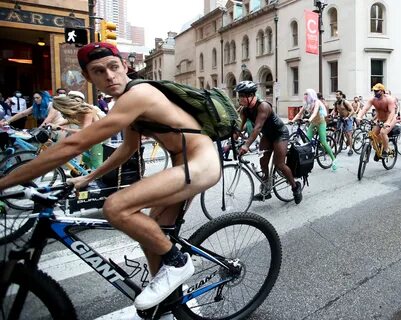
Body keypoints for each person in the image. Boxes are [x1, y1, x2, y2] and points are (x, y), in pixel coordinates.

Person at [0, 42, 220, 312]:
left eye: (114, 67)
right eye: (98, 71)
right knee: (152, 233)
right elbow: (128, 148)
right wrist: (87, 178)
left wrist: (5, 182)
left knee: (115, 207)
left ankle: (178, 263)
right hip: (182, 164)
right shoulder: (125, 102)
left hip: (201, 162)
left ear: (125, 66)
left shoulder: (139, 94)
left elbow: (73, 145)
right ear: (88, 77)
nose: (109, 76)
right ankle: (170, 298)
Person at [235, 80, 302, 204]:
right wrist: (232, 141)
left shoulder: (263, 106)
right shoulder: (245, 110)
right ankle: (266, 189)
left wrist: (246, 145)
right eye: (239, 96)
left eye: (242, 96)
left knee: (280, 164)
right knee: (263, 161)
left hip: (279, 134)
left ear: (250, 96)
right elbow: (239, 127)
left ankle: (295, 187)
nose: (240, 99)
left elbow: (258, 127)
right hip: (267, 135)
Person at [50, 91, 106, 169]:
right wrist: (55, 125)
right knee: (86, 161)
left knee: (96, 163)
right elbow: (68, 120)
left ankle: (98, 179)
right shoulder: (75, 111)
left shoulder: (87, 110)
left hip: (97, 138)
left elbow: (85, 131)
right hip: (88, 138)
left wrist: (64, 129)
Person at [293, 88, 337, 171]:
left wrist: (308, 120)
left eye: (307, 94)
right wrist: (292, 121)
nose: (305, 96)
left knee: (323, 142)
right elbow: (299, 113)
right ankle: (308, 161)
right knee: (307, 142)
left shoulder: (317, 102)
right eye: (304, 94)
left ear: (311, 95)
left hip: (321, 123)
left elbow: (315, 112)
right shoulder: (306, 103)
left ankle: (334, 159)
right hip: (313, 123)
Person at [356, 83, 397, 158]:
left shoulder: (389, 99)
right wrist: (359, 117)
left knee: (383, 132)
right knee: (372, 135)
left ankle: (386, 150)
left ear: (381, 91)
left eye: (376, 91)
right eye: (374, 91)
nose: (374, 92)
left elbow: (392, 112)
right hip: (380, 120)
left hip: (390, 120)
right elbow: (365, 109)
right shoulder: (373, 100)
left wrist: (387, 122)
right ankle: (378, 149)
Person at [331, 90, 354, 156]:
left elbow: (352, 111)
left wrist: (348, 117)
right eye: (336, 95)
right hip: (340, 118)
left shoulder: (345, 102)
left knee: (348, 134)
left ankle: (350, 149)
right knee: (337, 131)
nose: (337, 96)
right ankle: (338, 146)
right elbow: (335, 111)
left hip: (347, 118)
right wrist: (333, 115)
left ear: (341, 95)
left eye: (338, 95)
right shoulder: (336, 103)